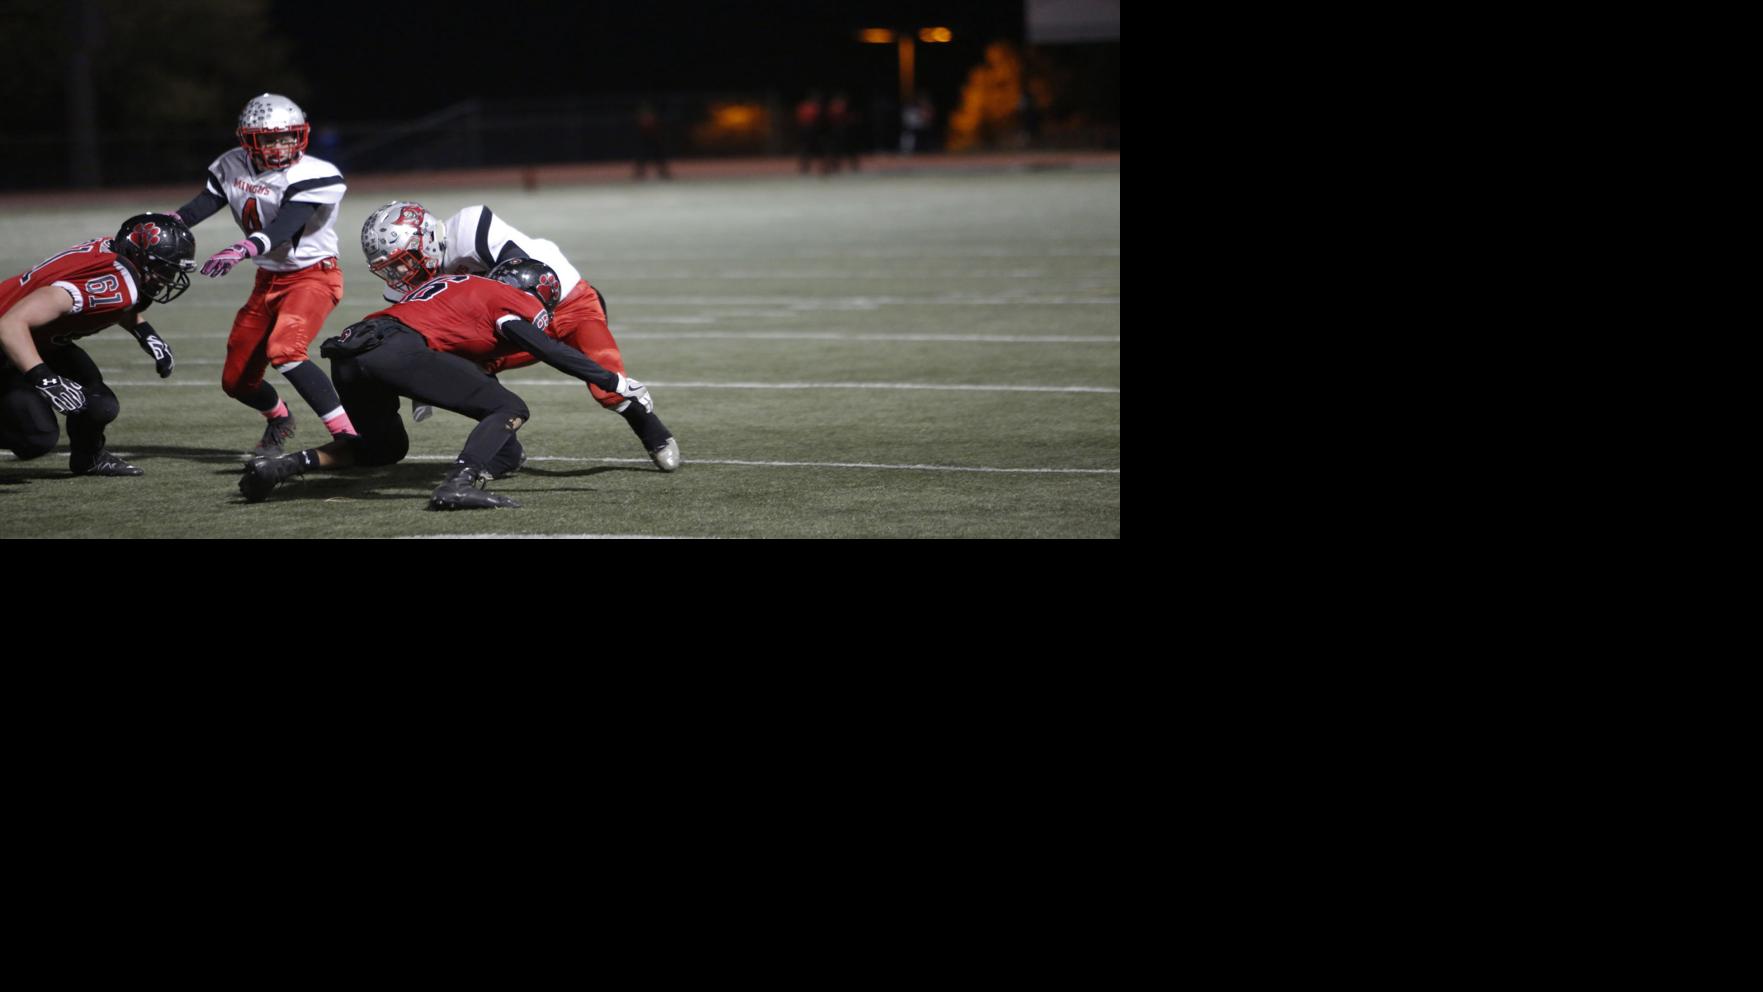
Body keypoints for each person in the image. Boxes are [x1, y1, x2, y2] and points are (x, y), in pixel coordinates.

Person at [238, 259, 652, 510]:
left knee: (383, 449)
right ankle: (458, 484)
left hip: (351, 350)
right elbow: (546, 347)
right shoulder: (509, 297)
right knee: (510, 408)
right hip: (395, 349)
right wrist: (612, 379)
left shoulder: (458, 285)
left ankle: (280, 467)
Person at [359, 200, 679, 471]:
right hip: (509, 323)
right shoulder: (411, 281)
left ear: (426, 239)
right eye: (391, 268)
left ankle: (651, 429)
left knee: (607, 384)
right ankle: (507, 451)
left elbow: (522, 275)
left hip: (567, 305)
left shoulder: (468, 229)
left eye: (404, 262)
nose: (400, 275)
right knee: (464, 368)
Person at [168, 93, 356, 458]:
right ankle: (279, 417)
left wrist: (242, 248)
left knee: (286, 350)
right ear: (249, 140)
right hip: (267, 279)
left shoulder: (314, 174)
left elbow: (285, 227)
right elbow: (203, 204)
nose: (280, 145)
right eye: (269, 139)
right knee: (236, 381)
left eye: (288, 136)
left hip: (313, 277)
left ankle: (348, 437)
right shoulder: (233, 164)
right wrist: (170, 223)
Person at [1, 214, 195, 477]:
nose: (166, 279)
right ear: (138, 256)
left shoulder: (112, 256)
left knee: (98, 403)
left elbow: (108, 299)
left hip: (37, 339)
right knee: (36, 438)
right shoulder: (117, 282)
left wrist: (144, 332)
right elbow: (10, 324)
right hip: (11, 340)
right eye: (163, 269)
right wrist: (44, 378)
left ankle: (89, 458)